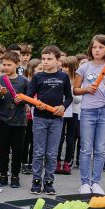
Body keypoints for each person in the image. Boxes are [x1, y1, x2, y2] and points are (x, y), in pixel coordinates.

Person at [73, 34, 105, 195]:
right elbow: (76, 89)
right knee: (86, 148)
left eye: (101, 47)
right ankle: (84, 183)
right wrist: (87, 89)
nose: (97, 50)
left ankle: (96, 182)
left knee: (100, 148)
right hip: (87, 111)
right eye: (94, 47)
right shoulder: (84, 67)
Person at [29, 46, 72, 195]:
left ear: (57, 60)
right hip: (40, 119)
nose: (45, 62)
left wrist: (63, 106)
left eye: (49, 59)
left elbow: (69, 97)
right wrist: (36, 104)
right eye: (44, 59)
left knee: (52, 153)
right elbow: (28, 97)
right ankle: (36, 181)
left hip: (56, 120)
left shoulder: (64, 77)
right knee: (39, 152)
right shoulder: (37, 77)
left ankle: (48, 182)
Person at [0, 51, 30, 188]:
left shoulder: (24, 81)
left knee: (17, 150)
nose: (6, 67)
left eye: (9, 64)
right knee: (3, 149)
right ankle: (3, 175)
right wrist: (0, 94)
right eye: (4, 64)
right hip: (3, 120)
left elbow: (30, 100)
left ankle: (15, 176)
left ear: (17, 64)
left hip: (19, 121)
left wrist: (23, 99)